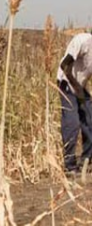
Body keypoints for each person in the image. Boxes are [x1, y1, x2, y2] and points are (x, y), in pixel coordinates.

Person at [57, 31, 92, 176]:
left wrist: (81, 89)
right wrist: (76, 87)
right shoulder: (83, 40)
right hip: (66, 83)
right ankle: (69, 166)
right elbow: (65, 65)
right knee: (72, 123)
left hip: (80, 86)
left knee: (90, 121)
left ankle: (87, 161)